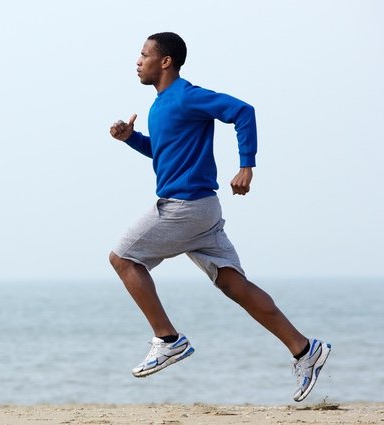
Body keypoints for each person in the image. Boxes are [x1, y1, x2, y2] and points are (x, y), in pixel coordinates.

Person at [108, 32, 331, 402]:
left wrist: (247, 165)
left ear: (165, 61)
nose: (137, 61)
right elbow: (167, 156)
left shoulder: (188, 96)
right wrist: (132, 139)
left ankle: (168, 340)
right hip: (202, 209)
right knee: (234, 285)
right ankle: (305, 350)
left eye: (144, 54)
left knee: (123, 258)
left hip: (184, 207)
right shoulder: (161, 105)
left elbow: (243, 111)